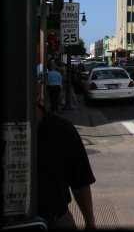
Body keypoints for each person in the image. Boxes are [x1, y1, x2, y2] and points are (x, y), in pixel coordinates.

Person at [36, 87, 96, 229]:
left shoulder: (61, 129)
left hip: (56, 218)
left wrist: (90, 222)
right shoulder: (61, 127)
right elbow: (81, 182)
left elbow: (80, 182)